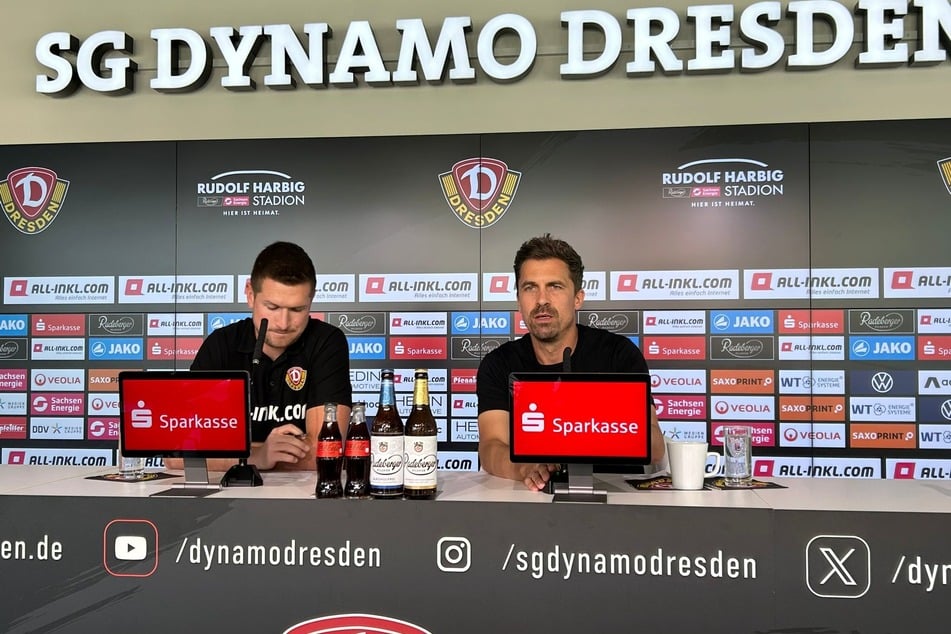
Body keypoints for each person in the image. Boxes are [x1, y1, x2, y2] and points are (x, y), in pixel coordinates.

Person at [477, 234, 665, 491]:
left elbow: (654, 445)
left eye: (555, 286)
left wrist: (582, 427)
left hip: (617, 503)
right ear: (518, 298)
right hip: (535, 502)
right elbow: (491, 446)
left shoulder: (618, 354)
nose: (542, 300)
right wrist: (524, 468)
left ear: (578, 298)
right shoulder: (498, 363)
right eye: (530, 287)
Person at [169, 241, 352, 472]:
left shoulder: (326, 341)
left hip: (303, 500)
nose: (283, 323)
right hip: (228, 501)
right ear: (250, 295)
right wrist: (258, 455)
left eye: (297, 310)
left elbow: (326, 451)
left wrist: (234, 455)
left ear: (311, 302)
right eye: (272, 307)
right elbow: (178, 454)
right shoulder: (221, 344)